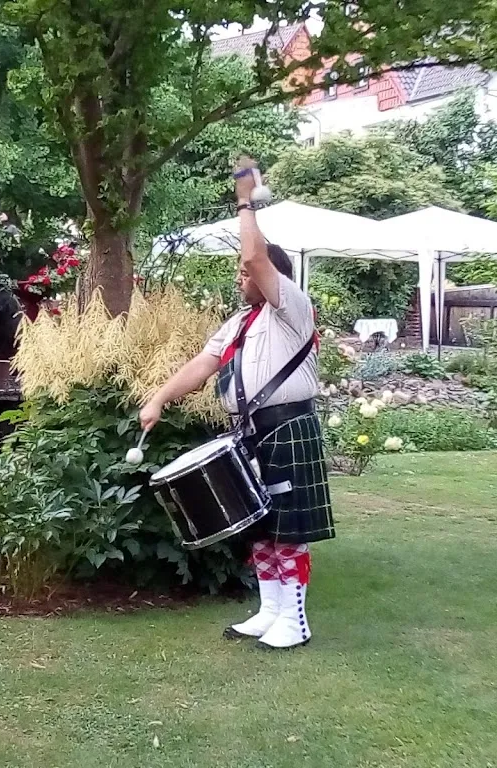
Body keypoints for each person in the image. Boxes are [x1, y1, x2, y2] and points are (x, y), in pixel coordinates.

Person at [140, 158, 334, 650]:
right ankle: (270, 611)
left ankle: (295, 620)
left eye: (244, 275)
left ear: (270, 276)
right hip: (253, 432)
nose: (238, 279)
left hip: (289, 426)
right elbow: (201, 366)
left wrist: (245, 201)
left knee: (289, 528)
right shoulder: (240, 322)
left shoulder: (291, 306)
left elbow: (253, 257)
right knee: (264, 525)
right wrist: (159, 397)